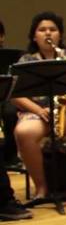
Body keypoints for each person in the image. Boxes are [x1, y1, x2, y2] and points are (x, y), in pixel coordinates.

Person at [13, 11, 66, 204]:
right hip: (39, 111)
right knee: (24, 132)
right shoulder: (26, 61)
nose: (48, 33)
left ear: (60, 35)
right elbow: (16, 95)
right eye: (42, 30)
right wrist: (38, 110)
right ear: (34, 36)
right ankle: (41, 188)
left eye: (53, 29)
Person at [1, 17, 23, 171]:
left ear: (2, 36)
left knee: (10, 112)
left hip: (7, 96)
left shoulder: (12, 57)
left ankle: (11, 155)